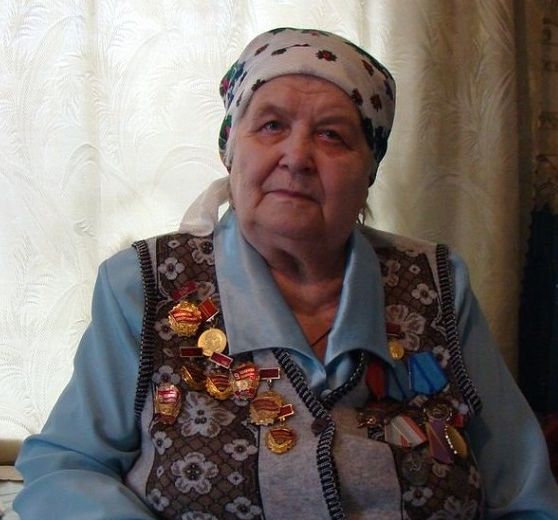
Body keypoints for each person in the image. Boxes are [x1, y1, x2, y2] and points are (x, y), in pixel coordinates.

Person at [14, 27, 558, 519]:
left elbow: (523, 494)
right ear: (231, 151)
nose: (296, 157)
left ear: (368, 169)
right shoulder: (145, 285)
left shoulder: (437, 284)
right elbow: (67, 466)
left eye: (332, 135)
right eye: (272, 125)